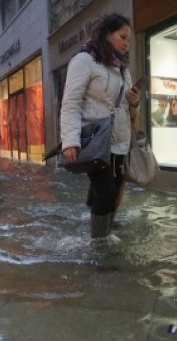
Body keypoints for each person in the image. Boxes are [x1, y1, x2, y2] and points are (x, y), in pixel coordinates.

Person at [59, 13, 142, 239]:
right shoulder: (84, 60)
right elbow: (71, 103)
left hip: (120, 141)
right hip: (97, 141)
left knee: (113, 192)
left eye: (129, 40)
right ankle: (99, 245)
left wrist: (134, 102)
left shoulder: (122, 69)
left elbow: (126, 108)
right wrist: (70, 140)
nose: (126, 43)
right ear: (107, 34)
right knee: (106, 193)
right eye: (122, 37)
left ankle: (101, 227)